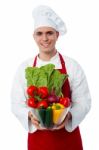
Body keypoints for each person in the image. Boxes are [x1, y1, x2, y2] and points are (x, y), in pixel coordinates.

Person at [11, 5, 91, 150]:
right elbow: (16, 103)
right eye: (39, 33)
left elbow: (84, 101)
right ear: (34, 36)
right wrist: (30, 116)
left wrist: (68, 117)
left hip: (68, 139)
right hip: (38, 141)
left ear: (57, 35)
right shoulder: (25, 67)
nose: (45, 38)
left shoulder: (72, 66)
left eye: (49, 33)